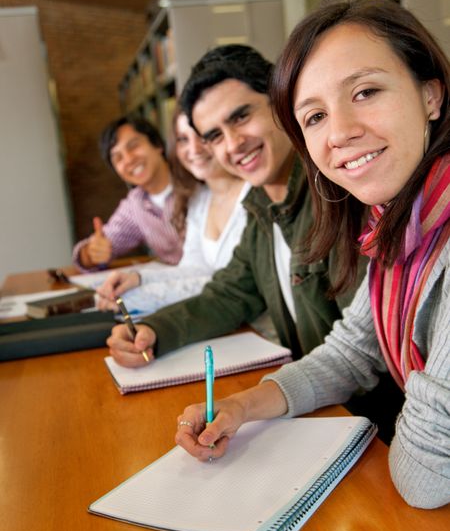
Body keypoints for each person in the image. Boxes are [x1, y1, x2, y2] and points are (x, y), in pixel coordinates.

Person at [175, 0, 450, 510]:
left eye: (366, 91)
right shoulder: (397, 222)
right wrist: (240, 406)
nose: (341, 131)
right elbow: (352, 351)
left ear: (430, 95)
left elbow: (424, 476)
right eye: (316, 115)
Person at [106, 44, 363, 366]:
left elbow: (362, 353)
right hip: (317, 398)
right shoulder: (262, 207)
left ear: (281, 100)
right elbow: (229, 294)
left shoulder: (341, 194)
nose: (233, 144)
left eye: (241, 116)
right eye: (214, 136)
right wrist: (153, 330)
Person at [96, 108, 249, 316]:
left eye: (203, 135)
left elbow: (230, 282)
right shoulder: (200, 202)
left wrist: (137, 295)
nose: (194, 149)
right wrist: (138, 278)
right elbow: (195, 267)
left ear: (159, 146)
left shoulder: (196, 188)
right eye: (183, 140)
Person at [72, 116, 184, 271]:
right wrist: (91, 253)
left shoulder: (195, 177)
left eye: (133, 146)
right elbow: (104, 243)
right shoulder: (134, 205)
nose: (129, 160)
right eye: (118, 158)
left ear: (157, 145)